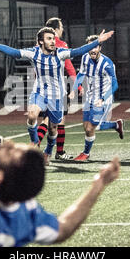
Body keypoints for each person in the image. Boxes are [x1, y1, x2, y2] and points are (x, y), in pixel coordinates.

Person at [0, 27, 114, 164]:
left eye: (53, 38)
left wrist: (97, 41)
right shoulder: (34, 53)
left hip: (57, 97)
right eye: (49, 39)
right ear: (41, 41)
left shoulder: (60, 53)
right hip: (39, 92)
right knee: (32, 114)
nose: (53, 41)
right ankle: (34, 142)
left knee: (53, 129)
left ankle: (48, 151)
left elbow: (78, 51)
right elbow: (13, 52)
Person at [68, 35, 124, 161]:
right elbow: (81, 74)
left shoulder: (107, 64)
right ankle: (116, 125)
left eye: (96, 47)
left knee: (90, 128)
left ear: (100, 47)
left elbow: (115, 85)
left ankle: (85, 154)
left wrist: (103, 98)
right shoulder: (85, 58)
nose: (93, 50)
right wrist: (74, 90)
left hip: (103, 99)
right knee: (87, 127)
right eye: (90, 47)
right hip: (90, 97)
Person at [36, 17, 84, 161]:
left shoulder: (40, 44)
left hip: (41, 88)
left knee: (45, 120)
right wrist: (78, 86)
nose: (62, 29)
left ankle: (37, 147)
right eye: (61, 27)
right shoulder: (61, 45)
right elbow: (69, 67)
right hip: (57, 88)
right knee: (58, 121)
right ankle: (58, 152)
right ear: (56, 29)